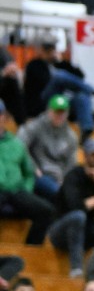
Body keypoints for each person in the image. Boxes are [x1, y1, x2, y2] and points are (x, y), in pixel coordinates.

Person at [48, 138, 94, 278]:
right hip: (60, 230)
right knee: (78, 217)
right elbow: (77, 207)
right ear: (86, 156)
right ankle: (76, 268)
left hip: (86, 230)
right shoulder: (73, 175)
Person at [0, 99, 56, 244]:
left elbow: (28, 172)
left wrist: (26, 189)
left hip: (17, 190)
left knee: (46, 211)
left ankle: (30, 253)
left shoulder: (16, 144)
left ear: (4, 117)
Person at [18, 94, 78, 200]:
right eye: (56, 111)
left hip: (60, 178)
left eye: (62, 112)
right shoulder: (36, 126)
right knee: (62, 196)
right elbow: (20, 144)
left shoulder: (71, 136)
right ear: (49, 111)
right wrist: (33, 168)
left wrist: (65, 180)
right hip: (40, 174)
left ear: (67, 113)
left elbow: (71, 164)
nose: (59, 115)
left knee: (74, 195)